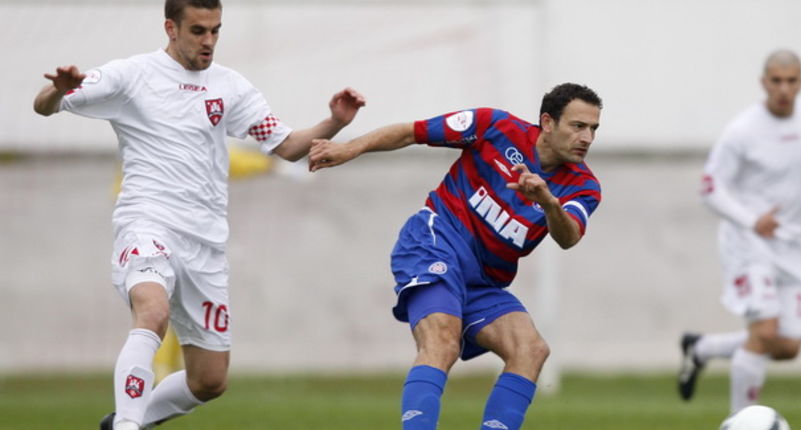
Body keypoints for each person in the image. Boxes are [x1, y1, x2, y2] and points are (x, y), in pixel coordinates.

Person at [33, 1, 365, 429]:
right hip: (148, 222)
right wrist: (58, 90)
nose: (208, 41)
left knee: (209, 380)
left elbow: (286, 146)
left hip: (205, 242)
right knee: (152, 313)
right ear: (171, 28)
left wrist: (334, 122)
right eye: (198, 31)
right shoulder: (131, 75)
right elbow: (44, 106)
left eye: (215, 30)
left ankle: (125, 421)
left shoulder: (230, 86)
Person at [309, 83, 603, 430]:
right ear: (548, 122)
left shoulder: (584, 186)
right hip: (434, 242)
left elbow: (568, 237)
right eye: (578, 126)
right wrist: (349, 149)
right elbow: (410, 132)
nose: (587, 138)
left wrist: (548, 202)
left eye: (593, 128)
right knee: (443, 341)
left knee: (531, 349)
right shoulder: (494, 127)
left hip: (483, 280)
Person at [678, 49, 801, 412]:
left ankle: (702, 348)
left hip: (790, 243)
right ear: (763, 82)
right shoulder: (742, 130)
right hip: (748, 242)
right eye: (776, 81)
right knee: (765, 332)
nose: (783, 89)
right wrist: (752, 220)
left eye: (791, 81)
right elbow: (709, 189)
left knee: (788, 345)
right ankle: (741, 421)